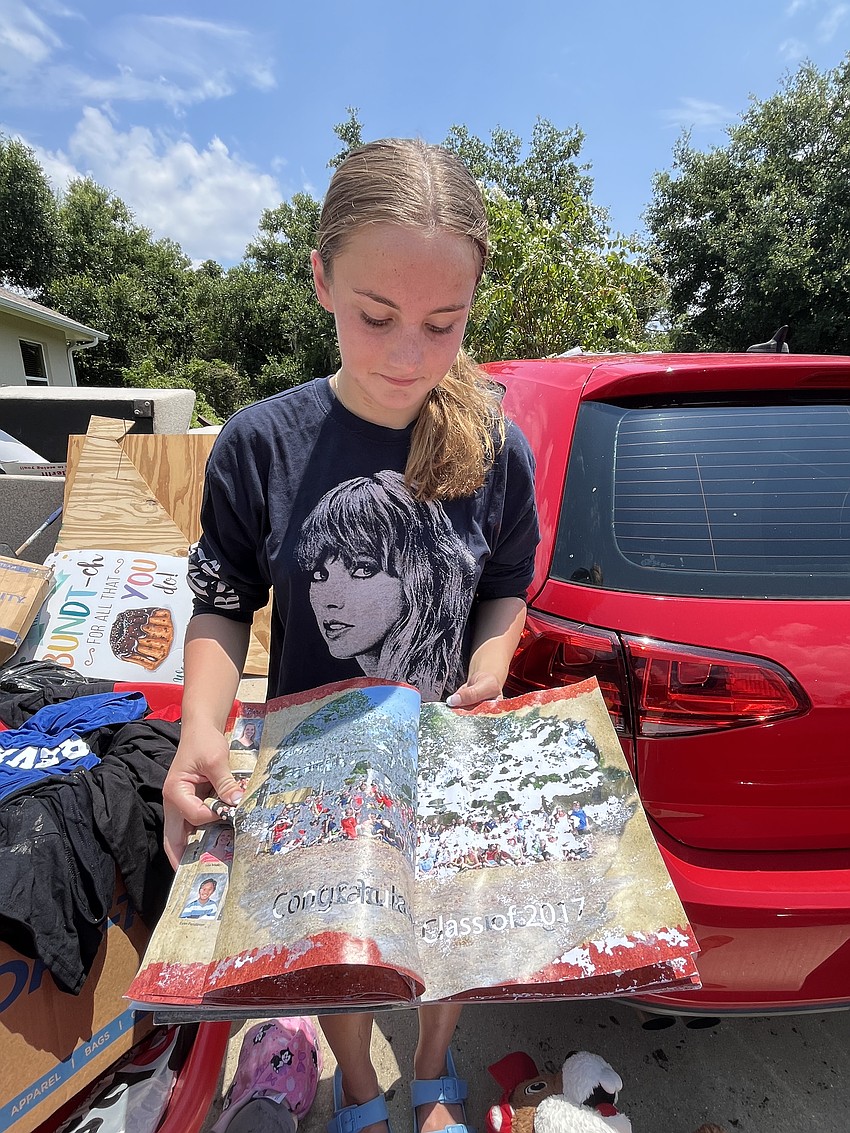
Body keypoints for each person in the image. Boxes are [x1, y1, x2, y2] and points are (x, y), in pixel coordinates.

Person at [162, 137, 540, 1133]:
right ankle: (359, 1089)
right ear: (322, 279)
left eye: (442, 323)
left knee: (445, 933)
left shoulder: (497, 448)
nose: (408, 354)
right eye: (376, 316)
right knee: (330, 938)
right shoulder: (260, 442)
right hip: (311, 764)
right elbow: (220, 594)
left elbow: (506, 585)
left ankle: (428, 1071)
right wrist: (201, 729)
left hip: (444, 759)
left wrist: (492, 663)